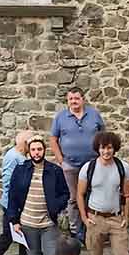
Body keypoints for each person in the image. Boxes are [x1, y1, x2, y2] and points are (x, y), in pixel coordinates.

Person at [75, 130, 129, 255]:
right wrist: (84, 218)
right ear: (98, 149)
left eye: (109, 148)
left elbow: (127, 194)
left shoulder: (122, 167)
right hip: (95, 217)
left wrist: (126, 216)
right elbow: (79, 194)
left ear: (114, 149)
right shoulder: (89, 168)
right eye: (102, 148)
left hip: (116, 218)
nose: (106, 152)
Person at [7, 133, 70, 255]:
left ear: (44, 150)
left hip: (48, 223)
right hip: (28, 223)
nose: (36, 153)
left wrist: (55, 206)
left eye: (39, 149)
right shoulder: (20, 170)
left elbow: (65, 193)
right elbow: (12, 196)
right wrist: (14, 221)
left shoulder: (55, 171)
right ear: (29, 151)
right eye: (34, 149)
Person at [50, 88, 106, 240]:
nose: (73, 101)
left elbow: (103, 135)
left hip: (92, 165)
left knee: (93, 196)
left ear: (83, 99)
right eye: (70, 99)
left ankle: (92, 226)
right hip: (70, 165)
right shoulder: (61, 117)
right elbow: (53, 139)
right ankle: (76, 230)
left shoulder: (94, 114)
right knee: (74, 198)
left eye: (76, 98)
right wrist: (61, 160)